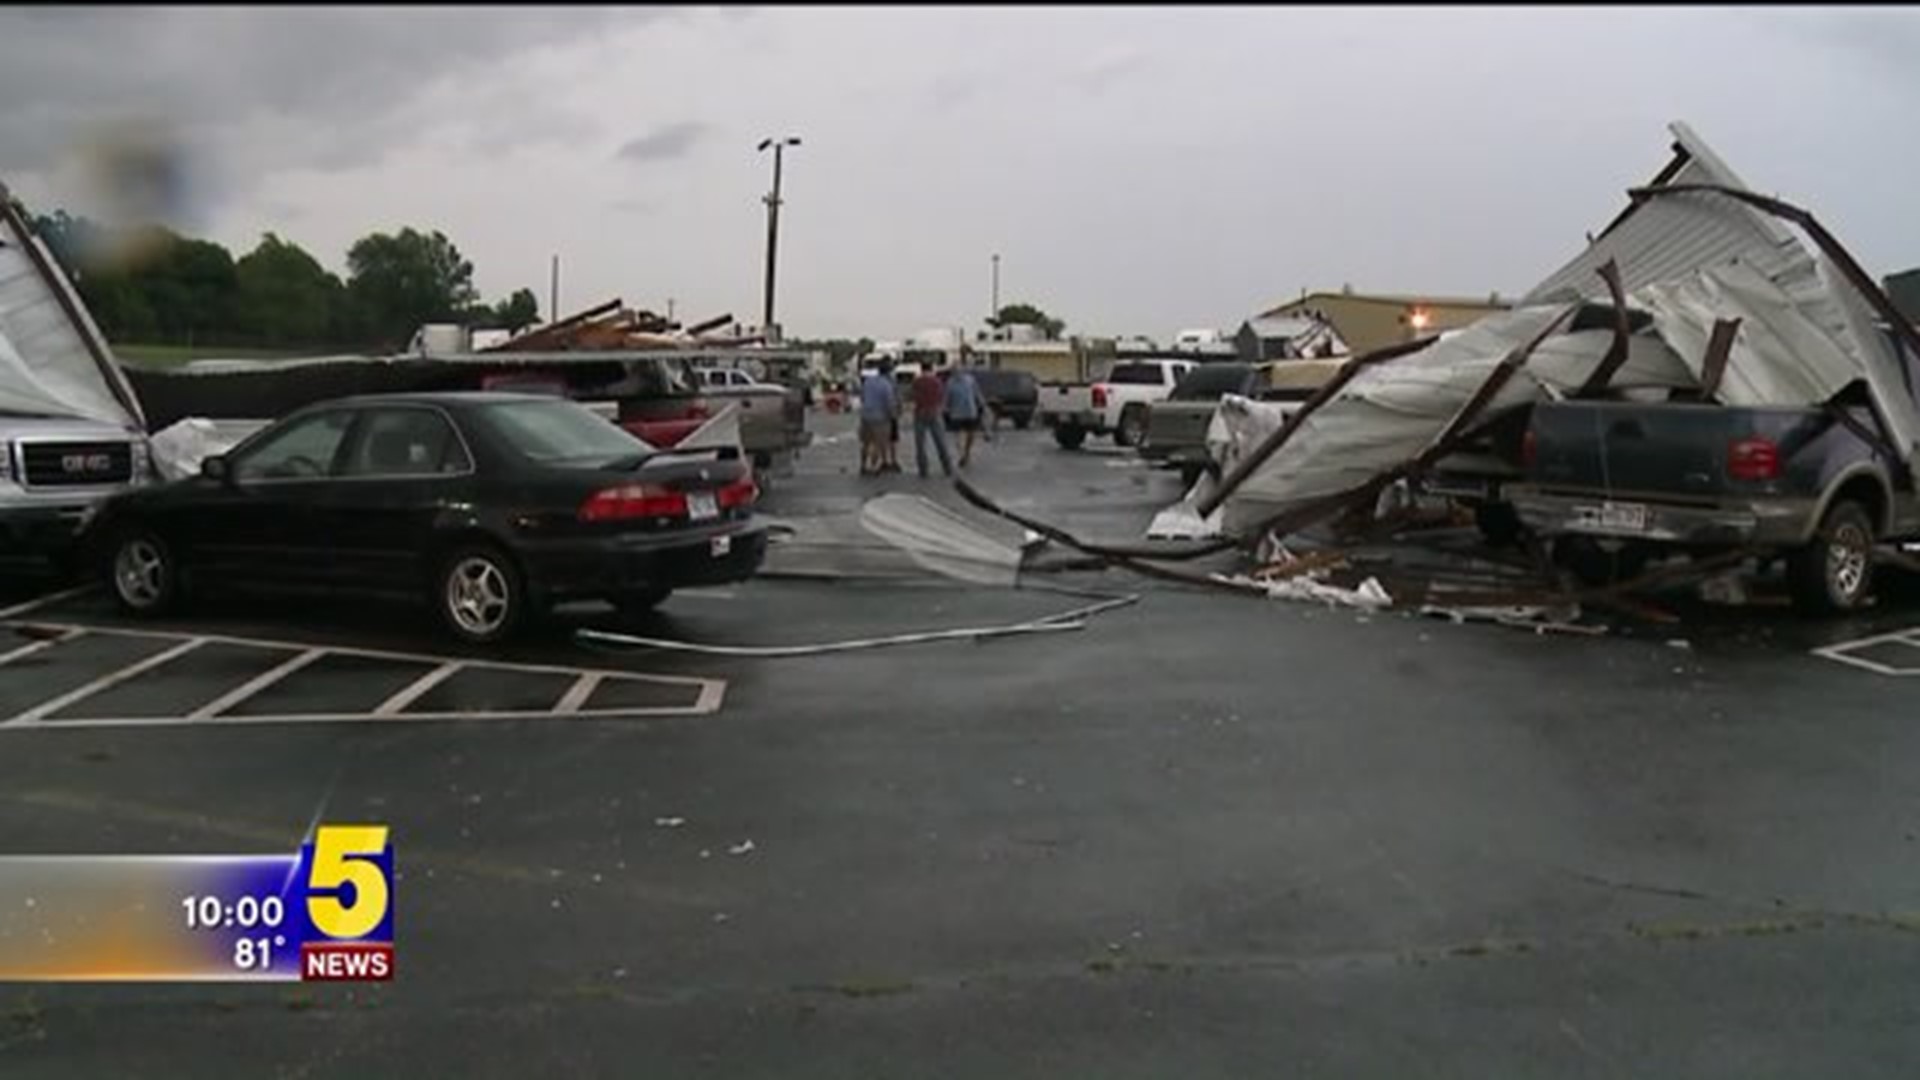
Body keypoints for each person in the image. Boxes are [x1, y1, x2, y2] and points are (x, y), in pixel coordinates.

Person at [909, 364, 954, 479]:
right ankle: (947, 467)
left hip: (920, 412)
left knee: (920, 443)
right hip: (934, 411)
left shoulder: (917, 382)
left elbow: (912, 396)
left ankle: (923, 469)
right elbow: (941, 396)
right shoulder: (937, 382)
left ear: (921, 369)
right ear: (931, 369)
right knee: (940, 441)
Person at [943, 362, 988, 467]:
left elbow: (976, 393)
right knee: (957, 436)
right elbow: (946, 397)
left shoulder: (970, 380)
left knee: (970, 434)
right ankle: (962, 455)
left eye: (957, 370)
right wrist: (945, 409)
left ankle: (966, 453)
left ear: (962, 370)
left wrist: (982, 403)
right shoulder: (950, 383)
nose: (956, 372)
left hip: (970, 411)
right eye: (954, 370)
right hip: (956, 413)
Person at [858, 362, 899, 476]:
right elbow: (889, 403)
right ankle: (873, 467)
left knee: (865, 443)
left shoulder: (868, 381)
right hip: (880, 417)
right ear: (888, 372)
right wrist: (893, 415)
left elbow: (862, 396)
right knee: (877, 443)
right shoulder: (886, 385)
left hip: (866, 415)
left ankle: (862, 465)